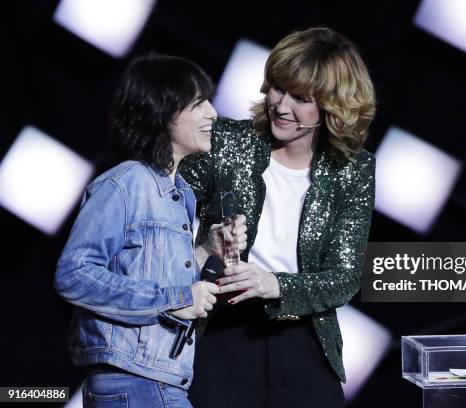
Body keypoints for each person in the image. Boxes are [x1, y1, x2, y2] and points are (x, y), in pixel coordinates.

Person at [180, 27, 376, 407]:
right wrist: (204, 250)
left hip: (303, 334)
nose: (282, 106)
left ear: (333, 106)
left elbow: (345, 277)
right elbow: (164, 221)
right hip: (220, 327)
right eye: (277, 88)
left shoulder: (352, 169)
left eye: (301, 98)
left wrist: (276, 285)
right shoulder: (225, 141)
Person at [54, 54, 246, 408]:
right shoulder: (127, 183)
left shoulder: (181, 193)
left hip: (161, 382)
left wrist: (206, 250)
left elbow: (154, 272)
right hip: (134, 383)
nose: (213, 114)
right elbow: (74, 274)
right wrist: (175, 300)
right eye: (198, 103)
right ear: (162, 111)